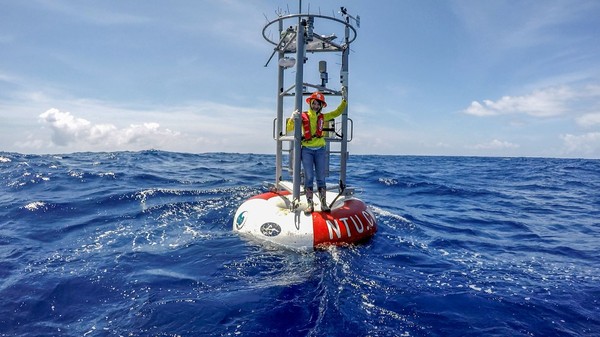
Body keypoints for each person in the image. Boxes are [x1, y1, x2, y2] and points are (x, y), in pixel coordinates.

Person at [287, 89, 347, 213]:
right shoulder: (303, 115)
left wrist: (344, 100)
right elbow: (289, 128)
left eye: (318, 104)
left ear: (321, 106)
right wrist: (292, 118)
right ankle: (310, 205)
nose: (315, 106)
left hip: (320, 149)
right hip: (307, 150)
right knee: (309, 177)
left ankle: (323, 204)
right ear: (310, 104)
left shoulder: (323, 117)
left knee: (321, 177)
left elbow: (337, 112)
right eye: (314, 103)